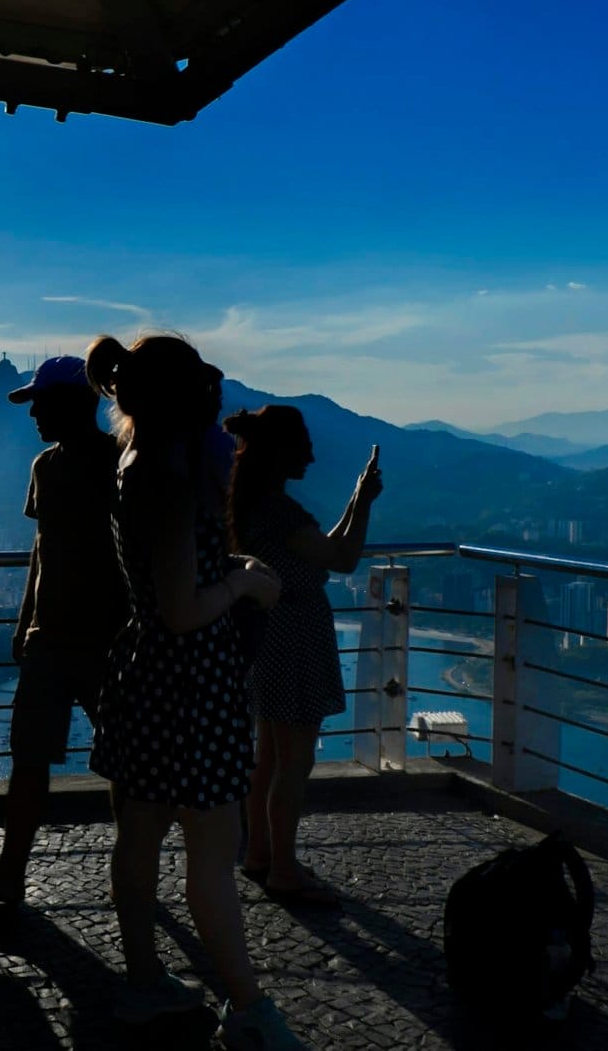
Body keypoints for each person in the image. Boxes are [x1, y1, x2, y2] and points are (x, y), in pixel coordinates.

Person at [84, 334, 303, 1049]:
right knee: (212, 850)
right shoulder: (170, 476)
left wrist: (227, 562)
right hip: (192, 683)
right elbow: (184, 610)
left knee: (138, 835)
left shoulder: (132, 459)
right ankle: (248, 1011)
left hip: (143, 675)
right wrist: (242, 580)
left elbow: (164, 582)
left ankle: (145, 984)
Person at [0, 355, 124, 907]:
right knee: (28, 757)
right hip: (50, 637)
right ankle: (9, 872)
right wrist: (25, 622)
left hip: (110, 639)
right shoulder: (46, 466)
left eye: (41, 403)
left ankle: (134, 868)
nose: (33, 415)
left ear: (76, 401)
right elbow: (44, 549)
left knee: (124, 758)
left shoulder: (120, 462)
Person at [226, 405, 381, 906]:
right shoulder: (281, 512)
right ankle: (285, 869)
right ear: (282, 452)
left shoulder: (254, 507)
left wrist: (356, 500)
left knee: (267, 758)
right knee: (294, 763)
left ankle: (260, 855)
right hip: (296, 638)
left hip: (266, 634)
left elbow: (323, 548)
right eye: (304, 446)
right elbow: (343, 558)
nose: (312, 455)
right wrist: (366, 504)